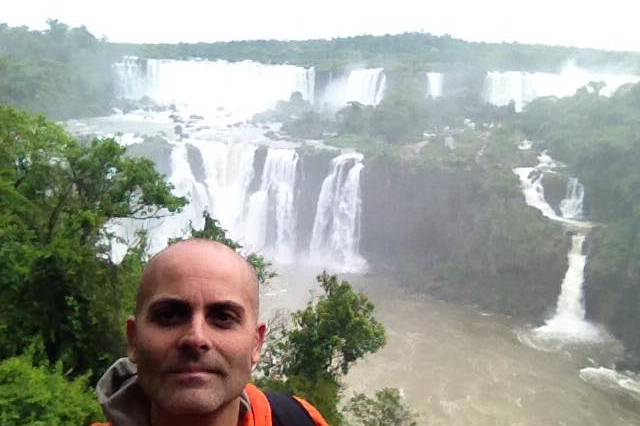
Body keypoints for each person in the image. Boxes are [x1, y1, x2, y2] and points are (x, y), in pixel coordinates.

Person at [92, 239, 328, 426]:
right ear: (133, 340)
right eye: (169, 316)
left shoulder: (300, 420)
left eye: (223, 317)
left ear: (257, 344)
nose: (196, 338)